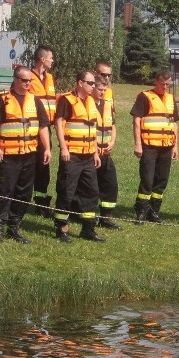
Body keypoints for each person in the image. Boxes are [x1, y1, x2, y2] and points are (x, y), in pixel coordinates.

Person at [0, 66, 52, 243]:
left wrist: (46, 148)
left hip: (29, 154)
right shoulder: (4, 99)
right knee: (4, 190)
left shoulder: (35, 100)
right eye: (25, 80)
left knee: (24, 193)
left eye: (30, 80)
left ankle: (14, 226)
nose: (28, 84)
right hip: (9, 154)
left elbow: (43, 126)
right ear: (16, 80)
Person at [52, 70, 103, 243]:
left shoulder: (91, 102)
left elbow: (92, 128)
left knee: (91, 192)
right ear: (80, 83)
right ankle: (61, 228)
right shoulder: (67, 100)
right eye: (90, 83)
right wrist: (64, 148)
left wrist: (95, 152)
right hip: (72, 154)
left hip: (88, 155)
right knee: (66, 191)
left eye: (94, 83)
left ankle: (88, 229)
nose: (93, 86)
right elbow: (59, 124)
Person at [131, 69, 179, 223]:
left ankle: (154, 211)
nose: (165, 87)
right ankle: (141, 211)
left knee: (161, 181)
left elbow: (174, 124)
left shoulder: (171, 99)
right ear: (156, 82)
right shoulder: (144, 97)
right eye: (162, 84)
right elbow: (136, 120)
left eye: (167, 84)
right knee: (147, 180)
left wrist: (175, 146)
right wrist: (138, 144)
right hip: (149, 146)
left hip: (166, 146)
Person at [93, 63, 122, 230]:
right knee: (90, 186)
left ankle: (106, 217)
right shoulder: (88, 104)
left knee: (111, 184)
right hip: (91, 152)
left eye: (104, 90)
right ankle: (85, 216)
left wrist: (112, 141)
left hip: (105, 151)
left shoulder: (107, 103)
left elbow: (113, 124)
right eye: (100, 89)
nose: (103, 92)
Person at [29, 46, 57, 217]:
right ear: (42, 59)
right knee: (28, 166)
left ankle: (41, 202)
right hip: (31, 130)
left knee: (43, 167)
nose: (52, 61)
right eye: (51, 58)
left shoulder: (50, 78)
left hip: (46, 129)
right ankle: (20, 199)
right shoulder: (27, 77)